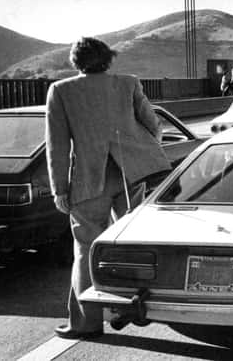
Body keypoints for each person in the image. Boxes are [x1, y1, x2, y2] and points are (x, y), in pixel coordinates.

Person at [45, 37, 171, 340]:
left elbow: (57, 145)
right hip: (132, 174)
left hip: (89, 181)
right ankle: (127, 309)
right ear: (108, 58)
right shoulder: (128, 83)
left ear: (75, 63)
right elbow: (153, 125)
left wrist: (59, 189)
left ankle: (85, 324)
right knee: (131, 245)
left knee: (86, 250)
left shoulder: (61, 91)